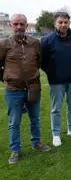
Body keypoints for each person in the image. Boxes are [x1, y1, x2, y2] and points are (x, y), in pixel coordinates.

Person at [0, 14, 50, 164]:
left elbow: (39, 61)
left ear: (27, 25)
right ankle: (15, 150)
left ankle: (36, 143)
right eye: (16, 24)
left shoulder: (35, 43)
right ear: (11, 25)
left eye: (22, 24)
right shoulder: (3, 44)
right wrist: (7, 78)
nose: (19, 27)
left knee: (35, 118)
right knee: (14, 122)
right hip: (13, 90)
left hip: (33, 87)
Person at [41, 12, 71, 147]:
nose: (63, 25)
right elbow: (42, 61)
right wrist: (52, 73)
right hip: (56, 81)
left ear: (69, 23)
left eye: (66, 22)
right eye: (60, 22)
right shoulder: (47, 40)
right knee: (56, 109)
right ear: (55, 23)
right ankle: (56, 134)